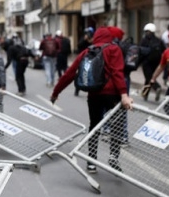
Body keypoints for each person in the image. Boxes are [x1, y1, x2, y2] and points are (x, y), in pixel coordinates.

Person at [50, 27, 134, 174]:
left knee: (94, 126)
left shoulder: (87, 51)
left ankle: (91, 162)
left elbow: (69, 73)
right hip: (112, 95)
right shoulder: (114, 49)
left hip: (94, 94)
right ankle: (113, 156)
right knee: (117, 125)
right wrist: (124, 94)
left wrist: (56, 92)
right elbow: (117, 73)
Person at [139, 23, 164, 102]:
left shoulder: (144, 40)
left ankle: (157, 87)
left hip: (146, 62)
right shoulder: (159, 40)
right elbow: (164, 50)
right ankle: (145, 94)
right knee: (149, 77)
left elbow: (140, 51)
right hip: (156, 63)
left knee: (149, 77)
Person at [75, 27, 94, 96]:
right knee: (79, 74)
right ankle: (77, 89)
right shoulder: (83, 39)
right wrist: (84, 39)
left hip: (91, 59)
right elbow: (79, 45)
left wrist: (91, 41)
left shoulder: (93, 40)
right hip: (82, 59)